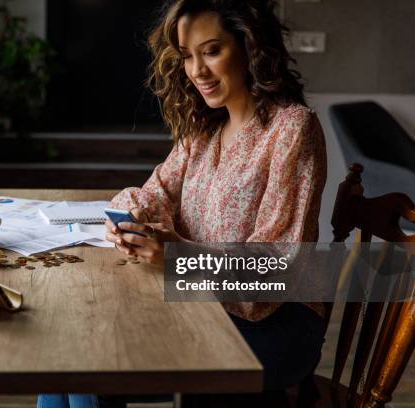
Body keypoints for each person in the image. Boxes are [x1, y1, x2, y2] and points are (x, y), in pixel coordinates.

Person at [38, 0, 327, 406]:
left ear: (249, 47)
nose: (197, 71)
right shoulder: (205, 131)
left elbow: (276, 263)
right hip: (201, 305)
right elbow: (155, 191)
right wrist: (131, 217)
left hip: (273, 325)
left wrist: (176, 259)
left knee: (92, 357)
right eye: (187, 56)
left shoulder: (292, 128)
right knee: (67, 349)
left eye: (211, 51)